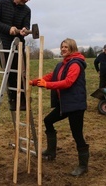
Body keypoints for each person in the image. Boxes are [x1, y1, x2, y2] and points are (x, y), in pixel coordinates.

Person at [30, 38, 89, 176]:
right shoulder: (61, 64)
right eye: (62, 47)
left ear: (72, 48)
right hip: (65, 104)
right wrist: (33, 82)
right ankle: (51, 151)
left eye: (66, 47)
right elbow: (52, 76)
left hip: (75, 105)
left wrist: (47, 86)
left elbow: (68, 82)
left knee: (77, 134)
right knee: (48, 120)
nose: (63, 49)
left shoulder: (75, 64)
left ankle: (83, 165)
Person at [0, 0, 32, 111]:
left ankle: (23, 100)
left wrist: (24, 30)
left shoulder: (27, 10)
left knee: (22, 73)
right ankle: (13, 100)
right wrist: (8, 29)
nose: (26, 0)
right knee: (11, 74)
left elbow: (26, 26)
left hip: (18, 44)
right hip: (3, 45)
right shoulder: (2, 2)